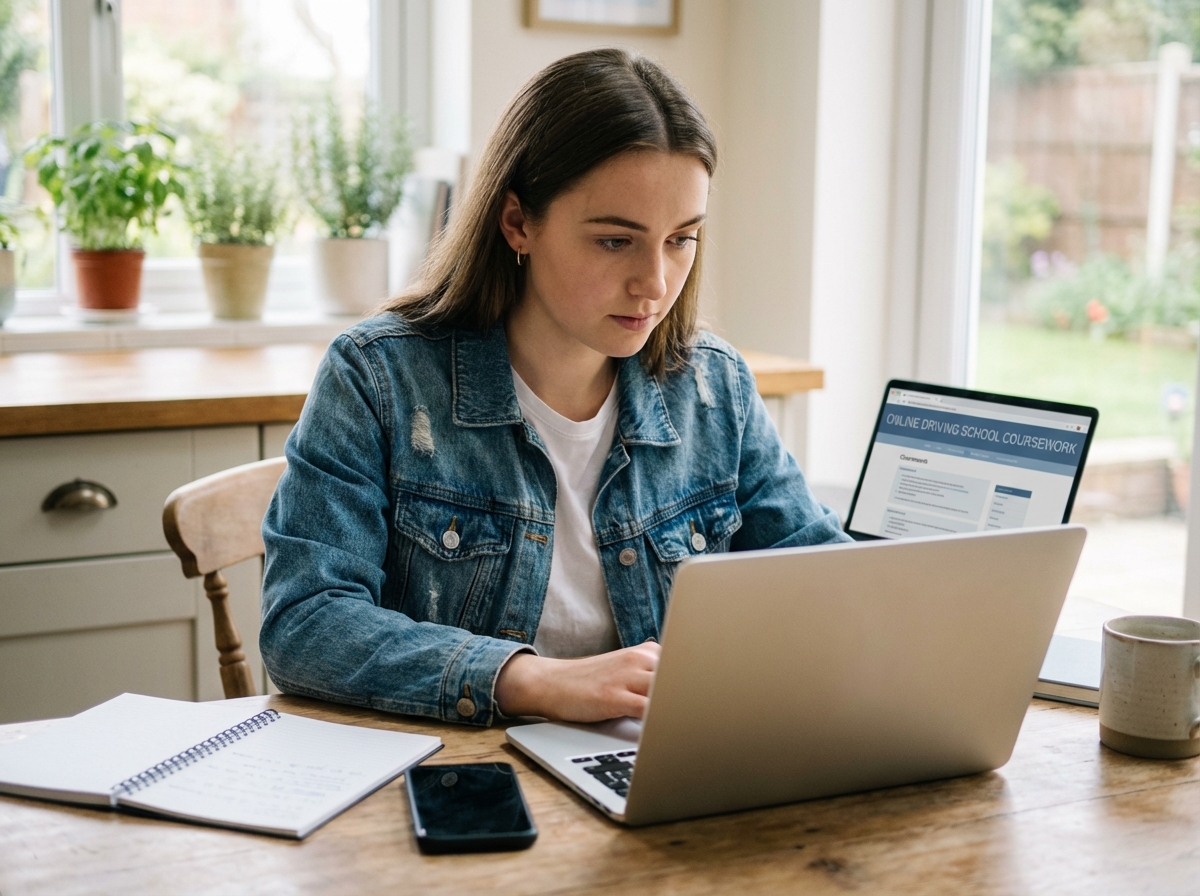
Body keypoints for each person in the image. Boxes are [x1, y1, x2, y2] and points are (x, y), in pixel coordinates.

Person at [260, 48, 849, 728]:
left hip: (649, 772)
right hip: (457, 783)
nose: (654, 284)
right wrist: (529, 680)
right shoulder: (378, 379)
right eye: (614, 242)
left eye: (681, 239)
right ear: (518, 223)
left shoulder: (715, 387)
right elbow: (306, 622)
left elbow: (822, 580)